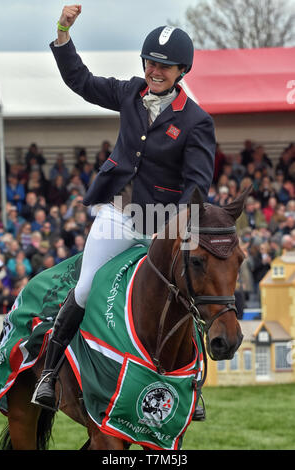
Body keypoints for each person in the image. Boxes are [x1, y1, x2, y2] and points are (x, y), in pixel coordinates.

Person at [32, 4, 216, 412]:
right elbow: (81, 81)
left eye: (165, 67)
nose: (155, 71)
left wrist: (178, 226)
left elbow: (198, 183)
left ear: (182, 71)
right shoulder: (130, 92)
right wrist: (63, 32)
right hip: (119, 213)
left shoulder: (197, 121)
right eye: (151, 62)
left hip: (163, 222)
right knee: (85, 286)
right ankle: (49, 370)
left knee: (187, 293)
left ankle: (194, 381)